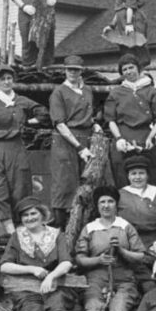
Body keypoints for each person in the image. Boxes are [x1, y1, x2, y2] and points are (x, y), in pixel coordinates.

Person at [0, 196, 75, 311]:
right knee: (32, 308)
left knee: (57, 301)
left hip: (54, 284)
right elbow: (4, 265)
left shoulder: (56, 235)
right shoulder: (17, 237)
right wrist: (32, 269)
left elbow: (66, 262)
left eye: (33, 213)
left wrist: (51, 276)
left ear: (42, 214)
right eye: (25, 216)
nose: (30, 218)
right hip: (26, 286)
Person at [75, 185, 145, 311]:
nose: (106, 205)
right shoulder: (90, 228)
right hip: (96, 277)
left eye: (110, 201)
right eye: (102, 202)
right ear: (97, 206)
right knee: (93, 307)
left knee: (119, 309)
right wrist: (97, 260)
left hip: (123, 277)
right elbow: (79, 258)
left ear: (116, 204)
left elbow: (140, 255)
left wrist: (121, 250)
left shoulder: (125, 226)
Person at [0, 64, 42, 236]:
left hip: (16, 148)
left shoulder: (21, 101)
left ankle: (21, 229)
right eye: (2, 79)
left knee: (20, 187)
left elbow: (43, 113)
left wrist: (29, 123)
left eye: (9, 78)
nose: (6, 82)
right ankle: (11, 231)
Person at [117, 155, 156, 292]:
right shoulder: (120, 195)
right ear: (128, 176)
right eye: (133, 174)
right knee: (144, 278)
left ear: (147, 175)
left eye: (141, 173)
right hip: (130, 243)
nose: (137, 177)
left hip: (154, 242)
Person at [104, 53, 156, 188]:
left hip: (145, 136)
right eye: (124, 69)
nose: (128, 72)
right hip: (123, 137)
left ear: (138, 68)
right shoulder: (116, 93)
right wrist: (119, 138)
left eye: (131, 67)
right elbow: (110, 120)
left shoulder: (151, 91)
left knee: (153, 174)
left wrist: (151, 137)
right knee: (122, 175)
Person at [49, 55, 96, 227]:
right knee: (65, 184)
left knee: (87, 182)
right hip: (65, 140)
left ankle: (83, 226)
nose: (72, 73)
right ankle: (61, 228)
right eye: (70, 69)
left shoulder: (88, 90)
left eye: (76, 69)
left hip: (86, 136)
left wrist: (95, 124)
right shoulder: (59, 92)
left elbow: (89, 114)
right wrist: (79, 147)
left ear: (81, 71)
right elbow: (60, 124)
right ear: (65, 70)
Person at [104, 0, 149, 67]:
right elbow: (119, 8)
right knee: (126, 48)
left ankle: (141, 70)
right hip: (122, 19)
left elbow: (130, 6)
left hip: (132, 18)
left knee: (136, 46)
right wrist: (112, 25)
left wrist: (129, 24)